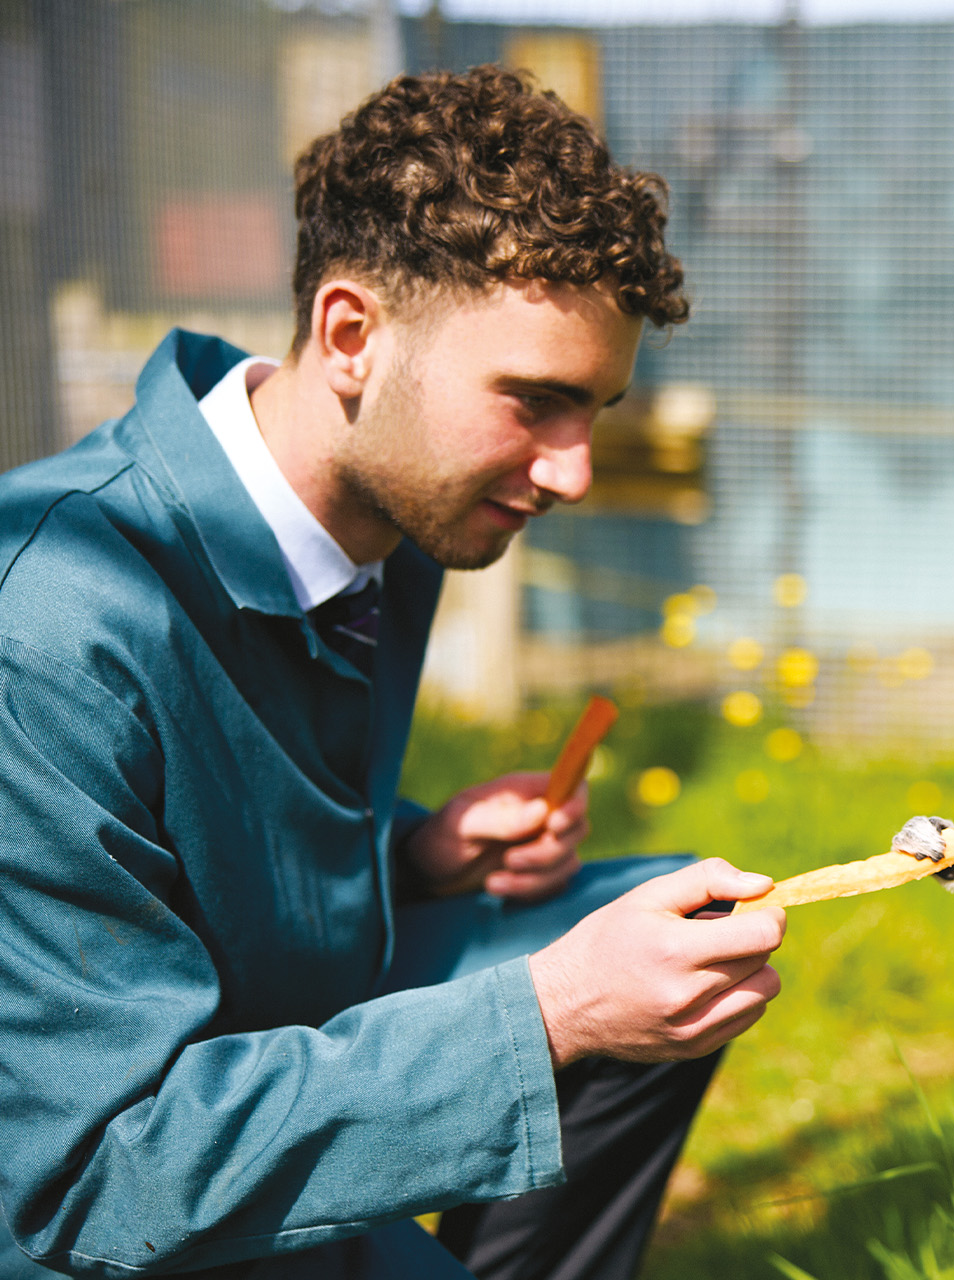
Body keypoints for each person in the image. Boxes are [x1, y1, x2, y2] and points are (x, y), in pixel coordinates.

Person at [0, 66, 786, 1279]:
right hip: (107, 1203)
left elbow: (193, 844)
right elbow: (86, 1173)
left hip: (257, 1048)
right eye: (537, 400)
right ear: (352, 336)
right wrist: (550, 1014)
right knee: (581, 990)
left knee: (690, 925)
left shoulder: (394, 516)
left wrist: (411, 855)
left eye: (600, 409)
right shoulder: (54, 626)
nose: (574, 472)